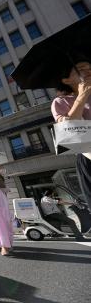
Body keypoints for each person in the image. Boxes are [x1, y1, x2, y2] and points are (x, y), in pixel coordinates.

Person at [51, 59, 91, 211]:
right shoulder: (61, 101)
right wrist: (83, 94)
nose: (88, 71)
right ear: (66, 80)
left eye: (90, 67)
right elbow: (69, 128)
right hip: (88, 153)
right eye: (81, 68)